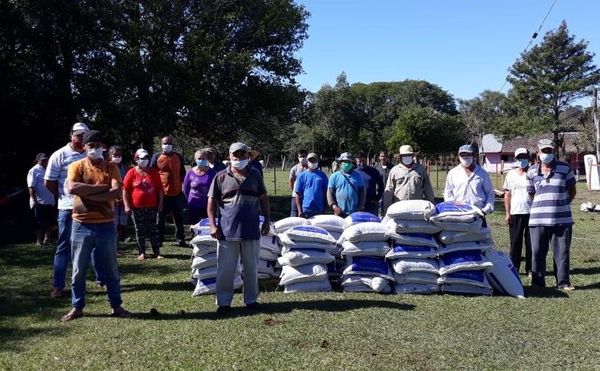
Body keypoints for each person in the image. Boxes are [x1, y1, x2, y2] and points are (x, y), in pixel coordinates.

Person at [61, 130, 129, 321]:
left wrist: (88, 194)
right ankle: (77, 307)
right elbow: (73, 187)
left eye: (99, 145)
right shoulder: (76, 166)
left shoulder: (111, 167)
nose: (95, 148)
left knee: (111, 268)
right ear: (84, 147)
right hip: (81, 225)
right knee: (78, 269)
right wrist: (101, 189)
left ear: (103, 147)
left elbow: (116, 192)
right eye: (91, 145)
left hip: (106, 225)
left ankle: (117, 305)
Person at [207, 142, 270, 314]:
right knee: (226, 269)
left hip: (251, 230)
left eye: (242, 155)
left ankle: (251, 300)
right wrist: (213, 225)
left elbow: (263, 198)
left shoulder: (255, 175)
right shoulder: (220, 177)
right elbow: (211, 202)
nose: (239, 159)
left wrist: (267, 221)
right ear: (229, 156)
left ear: (248, 156)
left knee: (251, 267)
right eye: (236, 155)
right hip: (227, 232)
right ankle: (224, 302)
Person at [44, 122, 92, 298]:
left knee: (91, 244)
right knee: (64, 246)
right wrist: (63, 196)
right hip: (67, 207)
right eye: (77, 135)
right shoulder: (59, 155)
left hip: (89, 207)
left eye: (83, 135)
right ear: (71, 135)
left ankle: (100, 280)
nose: (80, 138)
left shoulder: (91, 154)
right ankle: (58, 286)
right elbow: (49, 182)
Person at [527, 139, 576, 291]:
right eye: (544, 151)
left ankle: (563, 283)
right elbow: (531, 194)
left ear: (553, 151)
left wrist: (560, 204)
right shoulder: (531, 171)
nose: (547, 154)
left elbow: (572, 190)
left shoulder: (565, 168)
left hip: (562, 219)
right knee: (537, 253)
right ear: (538, 152)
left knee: (562, 253)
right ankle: (537, 283)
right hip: (537, 219)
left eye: (549, 151)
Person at [123, 149, 164, 260]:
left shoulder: (154, 172)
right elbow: (125, 190)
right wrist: (127, 206)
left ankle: (157, 252)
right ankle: (142, 252)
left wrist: (160, 204)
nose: (144, 160)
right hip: (136, 208)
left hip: (152, 206)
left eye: (146, 158)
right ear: (136, 159)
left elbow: (160, 189)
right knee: (139, 230)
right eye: (142, 158)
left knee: (153, 229)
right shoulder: (131, 172)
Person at [150, 135, 186, 247]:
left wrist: (179, 184)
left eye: (169, 143)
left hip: (176, 193)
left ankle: (180, 239)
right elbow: (152, 173)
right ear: (161, 144)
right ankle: (159, 240)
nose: (167, 145)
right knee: (160, 218)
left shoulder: (178, 157)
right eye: (165, 143)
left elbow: (183, 172)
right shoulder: (156, 157)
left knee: (178, 218)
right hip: (162, 194)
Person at [444, 144, 495, 220]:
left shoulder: (482, 173)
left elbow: (490, 193)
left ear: (473, 155)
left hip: (478, 213)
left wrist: (486, 209)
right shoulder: (453, 173)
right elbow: (448, 193)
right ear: (458, 156)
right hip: (458, 213)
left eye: (468, 154)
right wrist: (452, 206)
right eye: (462, 154)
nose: (465, 157)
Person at [503, 148, 533, 275]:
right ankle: (514, 267)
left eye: (524, 157)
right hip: (515, 212)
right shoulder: (510, 174)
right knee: (515, 242)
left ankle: (531, 269)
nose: (522, 160)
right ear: (516, 159)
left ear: (529, 158)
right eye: (519, 158)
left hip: (532, 213)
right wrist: (507, 213)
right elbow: (507, 194)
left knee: (531, 243)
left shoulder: (533, 173)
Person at [382, 145, 435, 214]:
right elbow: (389, 191)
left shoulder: (421, 169)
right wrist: (387, 210)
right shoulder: (394, 170)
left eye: (408, 155)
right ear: (400, 157)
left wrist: (432, 206)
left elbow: (428, 189)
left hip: (417, 208)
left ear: (413, 156)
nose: (406, 157)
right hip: (399, 208)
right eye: (404, 155)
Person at [27, 152, 55, 245]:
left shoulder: (48, 169)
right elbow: (31, 186)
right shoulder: (34, 170)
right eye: (43, 160)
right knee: (39, 222)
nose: (45, 161)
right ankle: (39, 241)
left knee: (49, 221)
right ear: (37, 160)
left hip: (49, 199)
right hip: (39, 201)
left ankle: (47, 239)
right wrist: (34, 200)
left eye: (46, 160)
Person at [183, 148, 216, 225]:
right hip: (193, 205)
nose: (201, 160)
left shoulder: (212, 173)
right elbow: (186, 189)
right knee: (194, 226)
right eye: (199, 158)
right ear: (195, 159)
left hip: (207, 205)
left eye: (203, 158)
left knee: (207, 227)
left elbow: (215, 189)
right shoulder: (190, 173)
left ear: (207, 159)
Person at [327, 152, 365, 217]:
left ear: (352, 163)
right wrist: (334, 207)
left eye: (348, 161)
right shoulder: (334, 176)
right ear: (340, 163)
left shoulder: (358, 176)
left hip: (354, 212)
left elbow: (362, 192)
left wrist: (360, 207)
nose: (346, 164)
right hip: (339, 212)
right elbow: (330, 193)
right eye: (344, 161)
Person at [294, 152, 328, 218]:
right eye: (310, 160)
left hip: (319, 209)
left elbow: (326, 193)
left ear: (317, 161)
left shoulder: (323, 175)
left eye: (314, 160)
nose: (312, 162)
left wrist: (325, 209)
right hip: (306, 209)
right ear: (307, 161)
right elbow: (297, 194)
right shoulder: (302, 176)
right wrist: (299, 210)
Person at [109, 145, 129, 244]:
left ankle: (120, 240)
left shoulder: (125, 167)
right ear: (110, 155)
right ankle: (114, 245)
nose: (117, 157)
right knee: (113, 223)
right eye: (115, 155)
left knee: (122, 222)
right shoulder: (107, 167)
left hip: (123, 199)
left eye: (119, 155)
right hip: (112, 199)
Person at [288, 149, 308, 217]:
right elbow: (291, 181)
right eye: (300, 156)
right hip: (295, 196)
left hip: (306, 196)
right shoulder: (294, 169)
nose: (302, 158)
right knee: (294, 214)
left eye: (304, 156)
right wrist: (295, 191)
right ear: (298, 157)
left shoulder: (309, 168)